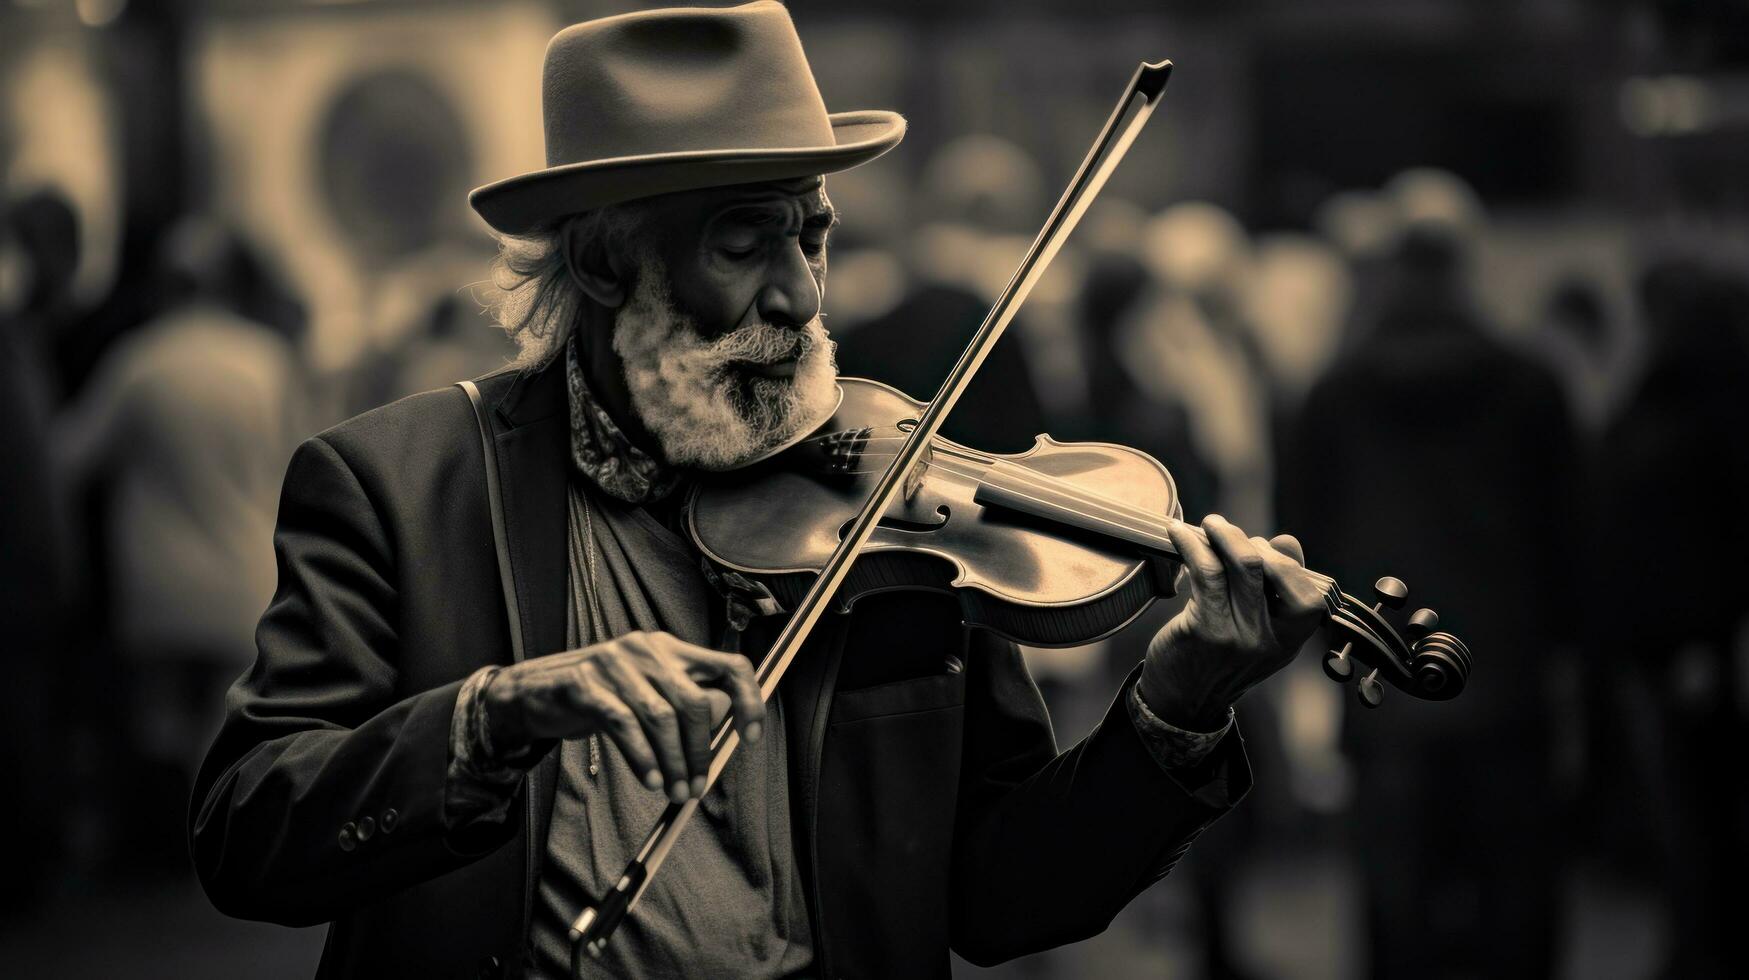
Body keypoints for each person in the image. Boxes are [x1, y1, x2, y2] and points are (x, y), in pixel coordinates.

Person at [189, 5, 1335, 978]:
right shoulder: (396, 483)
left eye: (813, 236)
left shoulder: (897, 512)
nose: (799, 295)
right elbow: (248, 827)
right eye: (746, 243)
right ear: (602, 264)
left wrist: (1175, 704)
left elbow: (1001, 898)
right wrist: (491, 714)